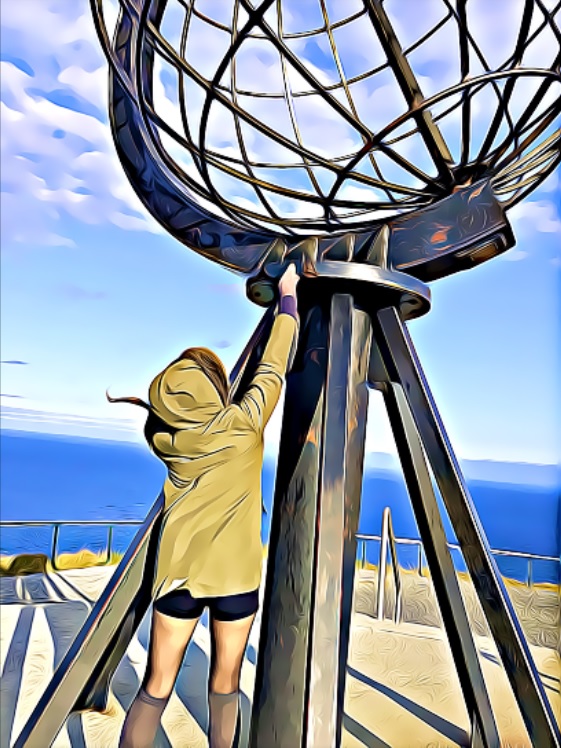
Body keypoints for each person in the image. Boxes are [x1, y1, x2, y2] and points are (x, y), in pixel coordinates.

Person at [109, 264, 300, 748]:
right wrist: (288, 299)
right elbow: (273, 367)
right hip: (236, 577)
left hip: (178, 575)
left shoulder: (164, 439)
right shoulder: (243, 425)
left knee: (156, 686)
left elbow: (164, 418)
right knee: (225, 684)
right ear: (214, 389)